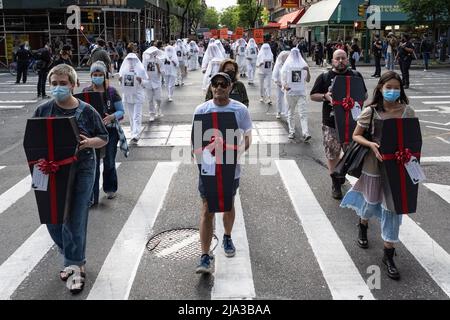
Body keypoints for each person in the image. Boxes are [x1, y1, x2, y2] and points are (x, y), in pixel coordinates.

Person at [33, 64, 108, 293]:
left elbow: (103, 137)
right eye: (54, 84)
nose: (58, 88)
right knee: (52, 219)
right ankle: (71, 256)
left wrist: (88, 143)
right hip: (47, 169)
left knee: (75, 218)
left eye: (63, 84)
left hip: (82, 168)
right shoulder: (43, 111)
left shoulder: (86, 111)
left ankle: (75, 266)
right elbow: (33, 140)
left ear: (73, 85)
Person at [341, 71, 415, 280]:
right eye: (388, 87)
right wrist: (372, 145)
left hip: (397, 168)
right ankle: (363, 225)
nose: (392, 91)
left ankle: (388, 254)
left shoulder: (407, 111)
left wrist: (409, 157)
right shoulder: (371, 111)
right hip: (373, 166)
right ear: (380, 89)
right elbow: (356, 135)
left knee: (393, 208)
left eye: (396, 87)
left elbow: (413, 138)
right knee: (371, 201)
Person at [193, 72, 252, 274]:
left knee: (228, 204)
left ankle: (227, 236)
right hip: (208, 167)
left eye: (223, 84)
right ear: (211, 87)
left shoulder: (240, 109)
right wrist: (201, 158)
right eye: (215, 84)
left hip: (230, 167)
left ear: (230, 86)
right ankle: (204, 255)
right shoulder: (202, 109)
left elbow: (247, 137)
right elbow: (195, 140)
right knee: (207, 208)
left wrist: (236, 153)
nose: (219, 87)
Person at [310, 49, 367, 200]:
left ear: (347, 59)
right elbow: (312, 95)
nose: (340, 61)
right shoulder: (325, 77)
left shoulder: (356, 76)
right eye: (337, 58)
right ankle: (335, 182)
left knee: (351, 153)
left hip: (353, 123)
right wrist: (324, 96)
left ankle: (340, 171)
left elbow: (364, 95)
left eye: (343, 58)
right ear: (332, 60)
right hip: (331, 122)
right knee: (332, 153)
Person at [83, 61, 128, 205]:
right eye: (94, 75)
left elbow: (121, 111)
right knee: (93, 164)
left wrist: (111, 117)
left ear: (105, 75)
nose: (97, 77)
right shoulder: (86, 91)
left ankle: (110, 189)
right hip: (92, 134)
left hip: (110, 132)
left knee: (109, 161)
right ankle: (91, 196)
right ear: (91, 76)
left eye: (100, 74)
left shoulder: (112, 92)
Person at [281, 48, 311, 141]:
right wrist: (285, 85)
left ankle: (305, 133)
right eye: (293, 53)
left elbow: (308, 80)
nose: (295, 55)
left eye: (297, 53)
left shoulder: (303, 65)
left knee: (303, 113)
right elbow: (283, 77)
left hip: (301, 92)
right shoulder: (287, 65)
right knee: (291, 112)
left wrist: (308, 70)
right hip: (290, 93)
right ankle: (291, 131)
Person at [119, 53, 148, 143]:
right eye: (129, 60)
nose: (131, 62)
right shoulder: (123, 70)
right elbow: (122, 84)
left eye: (133, 60)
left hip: (138, 95)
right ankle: (133, 132)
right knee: (131, 116)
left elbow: (146, 82)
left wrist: (141, 80)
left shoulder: (141, 69)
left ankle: (136, 134)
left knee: (137, 115)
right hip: (128, 96)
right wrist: (121, 80)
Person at [142, 46, 164, 121]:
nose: (153, 54)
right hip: (148, 82)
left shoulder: (159, 61)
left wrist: (158, 67)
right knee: (150, 99)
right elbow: (143, 70)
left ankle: (158, 107)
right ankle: (152, 114)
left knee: (158, 98)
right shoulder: (145, 61)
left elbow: (163, 72)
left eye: (154, 53)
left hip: (157, 82)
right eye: (151, 53)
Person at [272, 50, 290, 119]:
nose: (285, 58)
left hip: (287, 86)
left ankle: (287, 113)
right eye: (284, 57)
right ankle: (278, 111)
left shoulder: (289, 64)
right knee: (279, 98)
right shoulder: (278, 65)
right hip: (279, 85)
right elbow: (275, 76)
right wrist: (278, 83)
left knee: (287, 100)